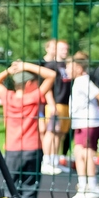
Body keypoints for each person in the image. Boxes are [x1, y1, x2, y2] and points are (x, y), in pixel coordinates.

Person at [0, 60, 56, 198]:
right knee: (29, 190)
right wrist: (26, 66)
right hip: (32, 148)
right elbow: (51, 75)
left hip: (12, 149)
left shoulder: (8, 97)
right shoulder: (34, 97)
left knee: (10, 189)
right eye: (34, 82)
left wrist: (10, 70)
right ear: (28, 84)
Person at [66, 54, 99, 198]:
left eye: (69, 67)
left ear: (78, 68)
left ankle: (93, 186)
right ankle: (83, 185)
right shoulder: (78, 81)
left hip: (88, 122)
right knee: (78, 154)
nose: (67, 70)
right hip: (80, 123)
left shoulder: (84, 81)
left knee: (87, 154)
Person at [39, 39, 71, 174]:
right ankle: (46, 161)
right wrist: (51, 104)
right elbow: (47, 87)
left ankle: (54, 160)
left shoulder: (66, 65)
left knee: (60, 134)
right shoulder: (50, 65)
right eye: (62, 48)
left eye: (66, 49)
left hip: (65, 103)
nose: (65, 51)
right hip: (54, 103)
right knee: (51, 132)